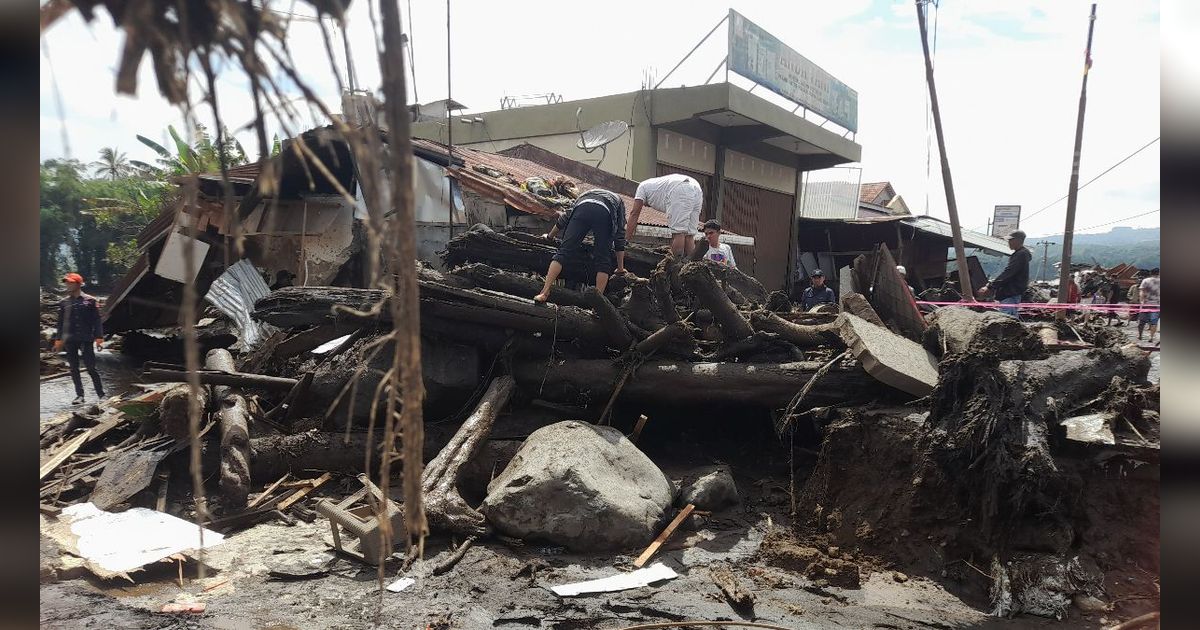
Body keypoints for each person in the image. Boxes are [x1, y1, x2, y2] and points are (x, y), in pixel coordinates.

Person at [534, 188, 627, 302]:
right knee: (603, 260)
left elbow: (565, 217)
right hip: (604, 213)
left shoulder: (584, 195)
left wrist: (550, 236)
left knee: (563, 252)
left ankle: (544, 292)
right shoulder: (619, 201)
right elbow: (620, 234)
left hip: (582, 209)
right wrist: (620, 268)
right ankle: (597, 304)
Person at [53, 273, 106, 404]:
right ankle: (80, 395)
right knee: (73, 368)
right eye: (66, 283)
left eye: (71, 282)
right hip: (70, 340)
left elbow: (97, 321)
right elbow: (60, 324)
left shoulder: (91, 300)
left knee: (91, 367)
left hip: (86, 338)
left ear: (78, 284)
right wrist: (58, 340)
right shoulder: (63, 302)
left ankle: (101, 394)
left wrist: (99, 337)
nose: (68, 285)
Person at [625, 173, 704, 258]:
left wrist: (625, 241)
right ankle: (692, 266)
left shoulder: (641, 187)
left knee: (679, 232)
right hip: (696, 187)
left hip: (680, 187)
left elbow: (634, 213)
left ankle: (675, 264)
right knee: (689, 234)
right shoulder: (653, 186)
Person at [977, 229, 1032, 319]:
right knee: (1011, 319)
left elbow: (1008, 273)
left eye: (1011, 240)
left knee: (1008, 320)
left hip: (1011, 292)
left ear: (1018, 240)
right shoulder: (1020, 254)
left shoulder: (1021, 254)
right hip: (1011, 292)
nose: (1008, 242)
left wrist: (990, 286)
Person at [1137, 267, 1160, 343]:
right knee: (1154, 322)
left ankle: (1140, 335)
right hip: (1157, 305)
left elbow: (1142, 292)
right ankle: (1151, 337)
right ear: (1158, 273)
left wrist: (1141, 301)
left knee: (1141, 321)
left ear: (1151, 273)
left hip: (1145, 304)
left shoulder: (1146, 280)